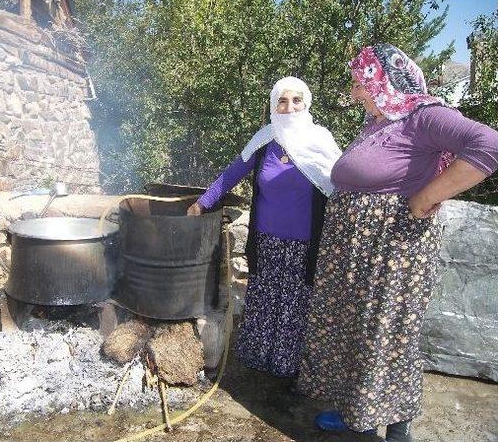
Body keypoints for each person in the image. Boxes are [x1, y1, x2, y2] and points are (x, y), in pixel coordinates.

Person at [297, 43, 498, 442]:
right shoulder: (380, 121)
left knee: (387, 332)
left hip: (394, 248)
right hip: (358, 246)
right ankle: (360, 412)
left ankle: (392, 427)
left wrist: (427, 197)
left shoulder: (423, 116)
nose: (354, 93)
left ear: (384, 81)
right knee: (355, 328)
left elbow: (488, 144)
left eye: (359, 84)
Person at [188, 76, 342, 377]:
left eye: (296, 100)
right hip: (267, 240)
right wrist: (202, 203)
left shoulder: (320, 141)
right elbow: (231, 173)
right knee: (262, 298)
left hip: (304, 244)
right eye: (282, 101)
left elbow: (342, 182)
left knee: (294, 303)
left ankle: (287, 366)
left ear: (306, 103)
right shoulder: (264, 140)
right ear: (273, 104)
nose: (289, 107)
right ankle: (258, 356)